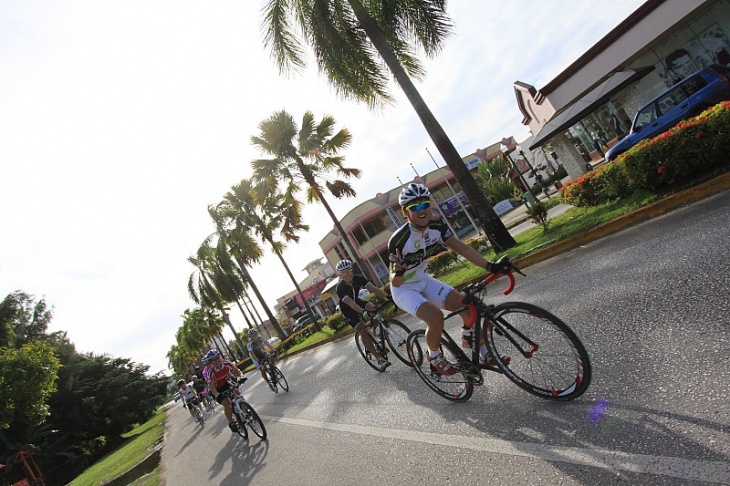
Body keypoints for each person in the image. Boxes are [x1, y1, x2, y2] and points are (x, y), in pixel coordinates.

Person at [387, 183, 511, 376]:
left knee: (466, 305)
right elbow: (394, 283)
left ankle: (484, 351)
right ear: (405, 212)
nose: (422, 210)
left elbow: (463, 248)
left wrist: (490, 266)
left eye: (425, 204)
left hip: (424, 280)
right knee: (436, 317)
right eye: (415, 207)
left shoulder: (437, 226)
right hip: (404, 290)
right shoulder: (399, 240)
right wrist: (401, 272)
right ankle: (434, 356)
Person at [335, 259, 391, 369]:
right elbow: (351, 305)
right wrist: (363, 311)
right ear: (340, 275)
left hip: (357, 301)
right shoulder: (340, 288)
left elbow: (373, 289)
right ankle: (378, 358)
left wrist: (387, 296)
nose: (347, 273)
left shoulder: (358, 278)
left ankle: (374, 333)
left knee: (374, 309)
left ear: (352, 270)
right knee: (362, 330)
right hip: (348, 309)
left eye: (349, 270)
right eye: (344, 272)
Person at [201, 349, 246, 432]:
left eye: (217, 357)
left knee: (238, 393)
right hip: (216, 389)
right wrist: (217, 394)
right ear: (210, 362)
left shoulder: (226, 363)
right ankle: (231, 422)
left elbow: (237, 370)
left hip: (225, 383)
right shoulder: (210, 371)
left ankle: (245, 411)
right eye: (213, 360)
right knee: (227, 404)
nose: (217, 361)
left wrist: (242, 376)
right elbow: (211, 386)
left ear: (220, 357)